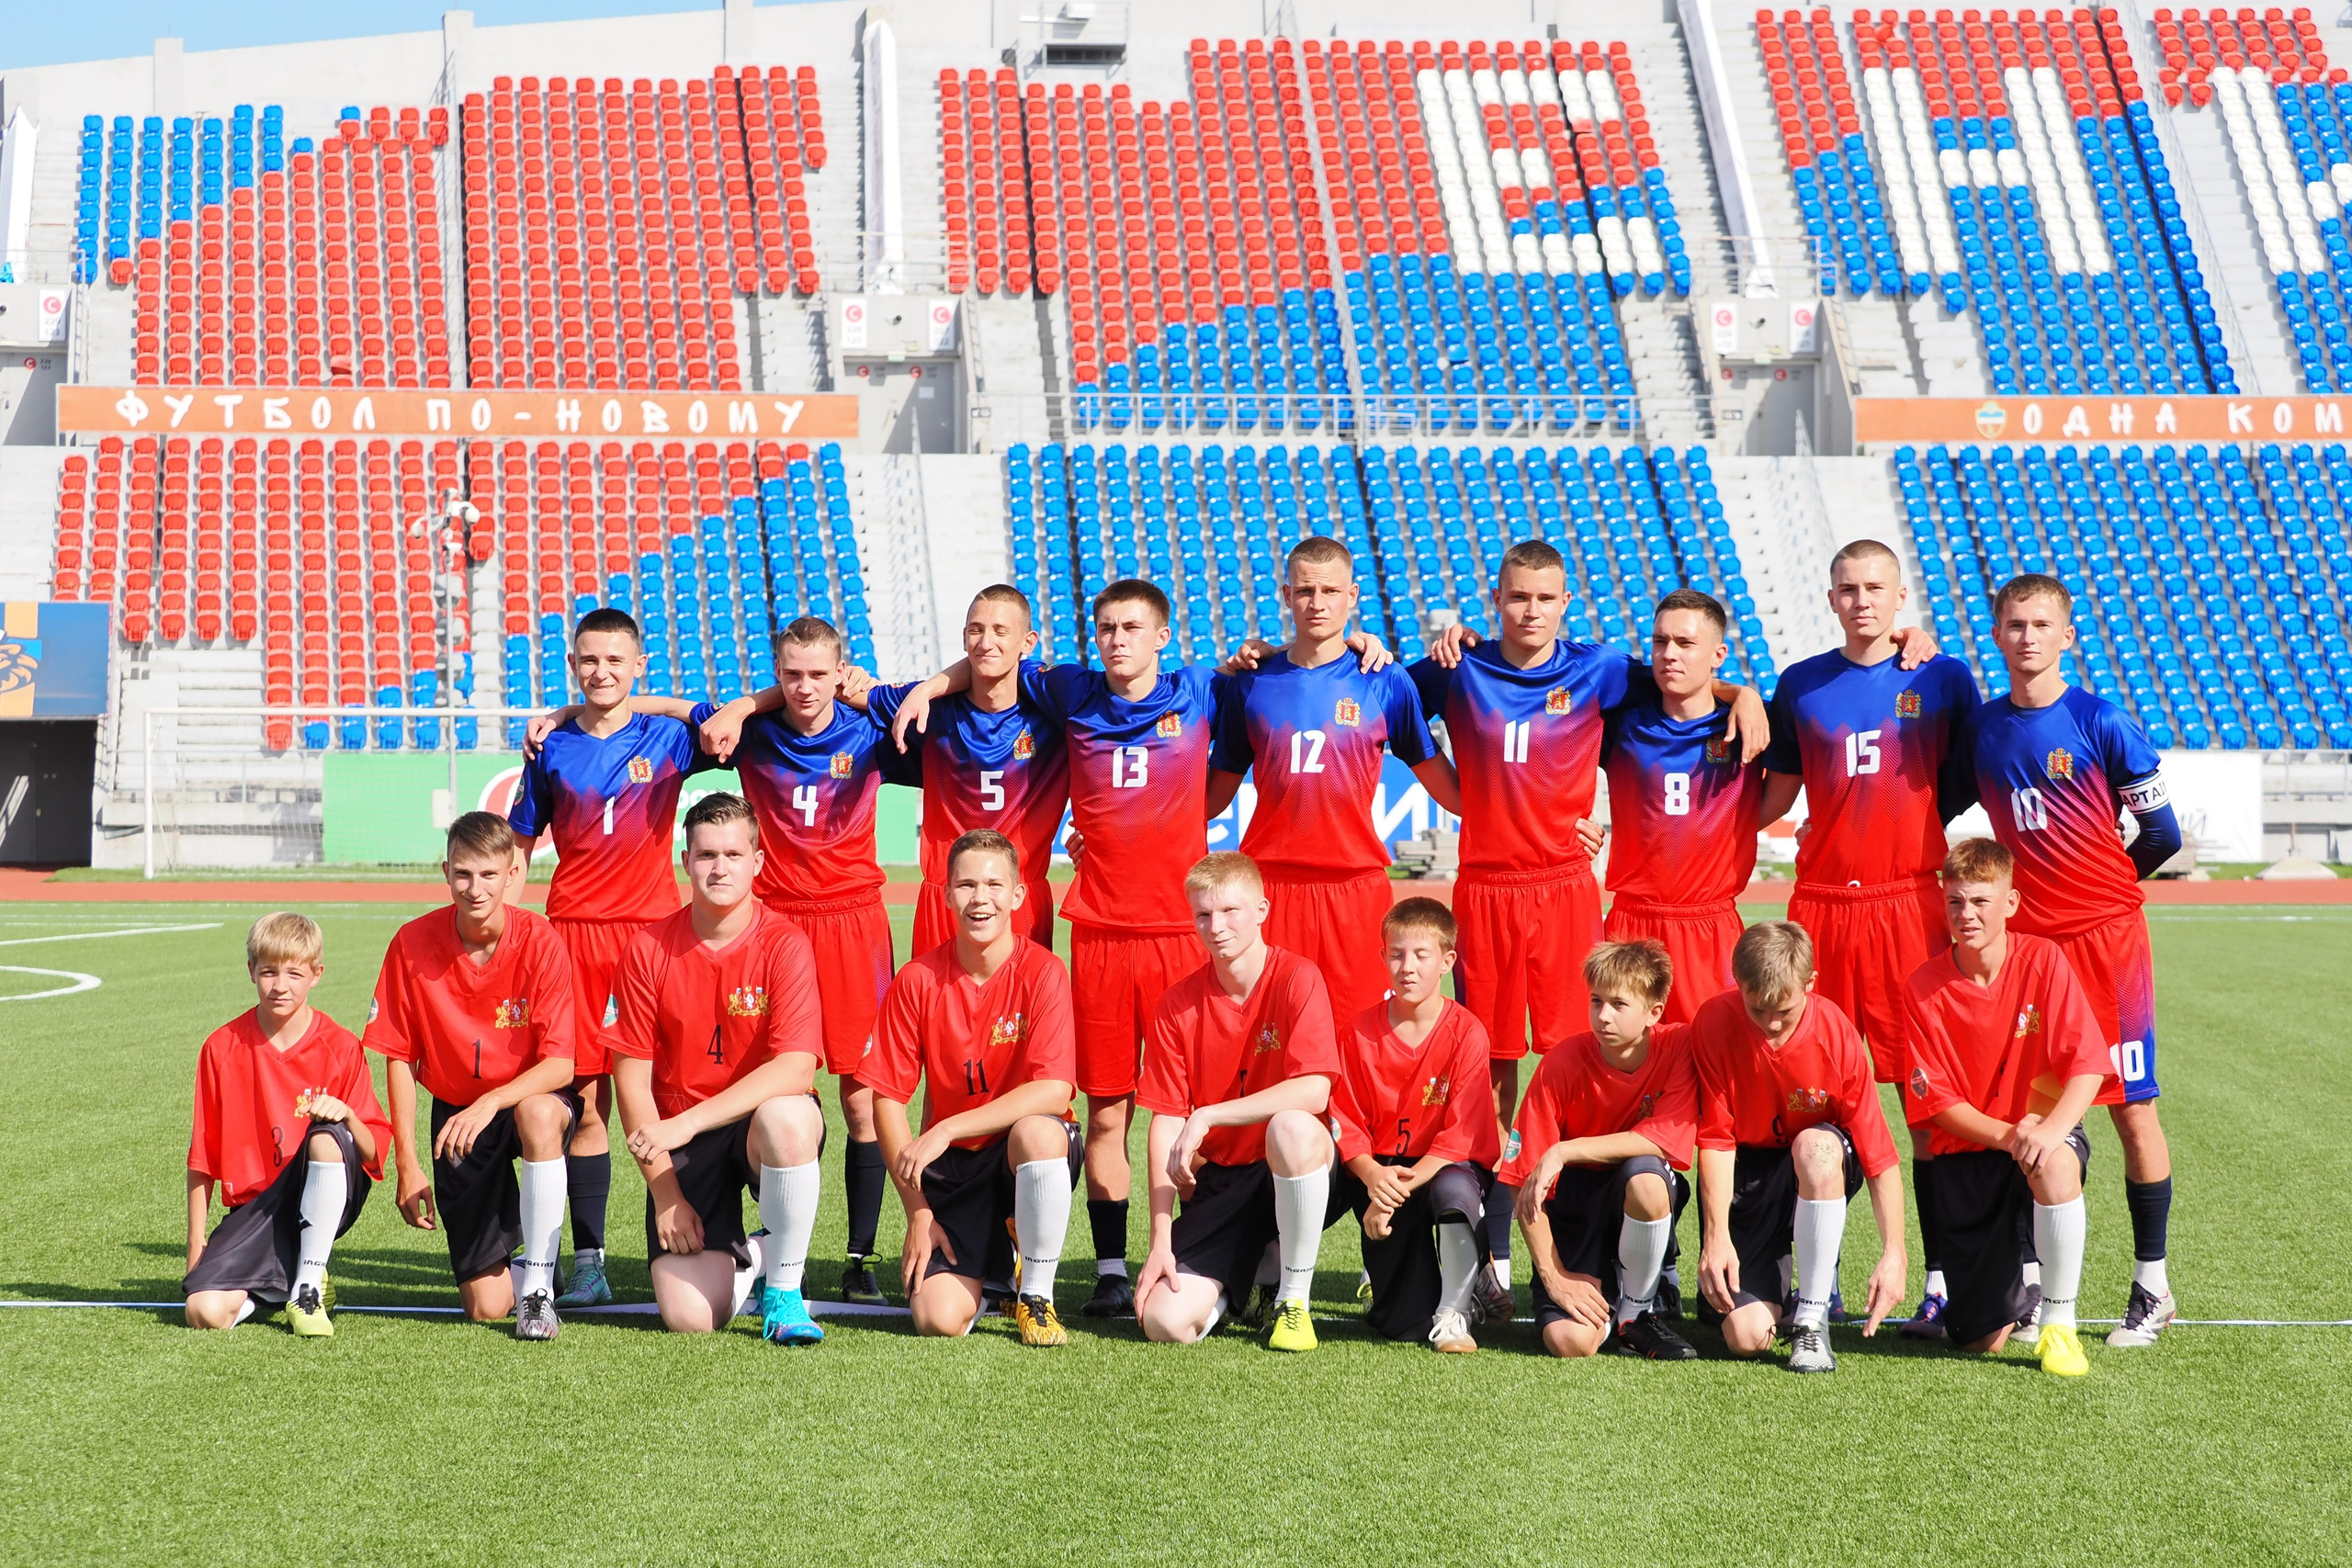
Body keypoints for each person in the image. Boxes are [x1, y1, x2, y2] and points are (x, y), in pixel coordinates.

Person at [885, 581, 1379, 1318]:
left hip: (1183, 935)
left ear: (1161, 636)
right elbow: (990, 664)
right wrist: (929, 682)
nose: (1118, 640)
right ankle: (1112, 1266)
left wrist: (1347, 641)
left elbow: (1289, 668)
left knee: (1200, 1102)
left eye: (1132, 628)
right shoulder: (1072, 692)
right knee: (1109, 1108)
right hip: (1103, 933)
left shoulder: (1207, 689)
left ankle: (1243, 1247)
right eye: (1107, 627)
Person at [1413, 540, 1766, 1310]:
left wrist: (1745, 693)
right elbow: (1380, 701)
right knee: (1494, 1071)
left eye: (1544, 598)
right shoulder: (1455, 666)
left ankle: (1632, 1241)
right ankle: (1494, 1257)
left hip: (1569, 892)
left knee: (1599, 1055)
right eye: (1516, 597)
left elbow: (1689, 678)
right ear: (1495, 599)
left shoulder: (1600, 669)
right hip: (1487, 891)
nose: (1529, 610)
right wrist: (1455, 792)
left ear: (1564, 602)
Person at [1757, 539, 1976, 1337]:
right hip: (1821, 908)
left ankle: (1943, 1277)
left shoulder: (1942, 676)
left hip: (1907, 905)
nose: (1861, 600)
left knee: (1925, 1100)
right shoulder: (1800, 684)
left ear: (1900, 594)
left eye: (1875, 587)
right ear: (1829, 596)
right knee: (1807, 1092)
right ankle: (1807, 1271)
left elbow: (1961, 780)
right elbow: (1770, 790)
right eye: (1847, 587)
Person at [1958, 572, 2184, 1347]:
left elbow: (2163, 836)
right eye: (2014, 624)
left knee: (2131, 1105)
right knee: (2028, 1109)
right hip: (2030, 952)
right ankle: (2029, 1286)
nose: (2027, 637)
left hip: (2107, 944)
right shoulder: (1983, 729)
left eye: (2041, 624)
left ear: (2067, 636)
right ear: (1997, 635)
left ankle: (2151, 1287)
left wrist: (2108, 894)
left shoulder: (2099, 719)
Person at [690, 616, 917, 1306]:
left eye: (820, 673)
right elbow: (670, 710)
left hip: (853, 923)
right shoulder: (753, 732)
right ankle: (772, 1249)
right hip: (777, 927)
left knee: (860, 1096)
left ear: (840, 670)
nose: (806, 686)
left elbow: (935, 705)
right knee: (773, 1090)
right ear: (776, 673)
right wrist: (741, 704)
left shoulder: (871, 728)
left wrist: (874, 688)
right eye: (792, 674)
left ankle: (858, 1257)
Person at [508, 606, 719, 1310]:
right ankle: (590, 1260)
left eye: (614, 660)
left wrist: (586, 703)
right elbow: (517, 841)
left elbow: (719, 714)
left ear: (639, 667)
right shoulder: (551, 750)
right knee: (588, 1100)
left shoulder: (669, 737)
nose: (600, 672)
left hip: (653, 937)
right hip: (571, 935)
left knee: (673, 1088)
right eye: (586, 662)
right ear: (573, 665)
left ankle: (699, 1233)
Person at [1208, 537, 1462, 1024]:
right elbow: (1211, 799)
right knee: (1267, 1037)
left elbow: (1449, 792)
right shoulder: (1251, 681)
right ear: (1286, 594)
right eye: (1305, 590)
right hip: (1270, 889)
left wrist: (1554, 820)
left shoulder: (1384, 679)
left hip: (1354, 890)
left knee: (1355, 1037)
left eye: (1330, 590)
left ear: (1354, 594)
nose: (1317, 603)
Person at [607, 791, 829, 1341]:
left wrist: (683, 1124)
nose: (719, 868)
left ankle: (783, 1291)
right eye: (706, 855)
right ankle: (756, 1250)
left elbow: (798, 1067)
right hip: (684, 1138)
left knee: (790, 1118)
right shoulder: (646, 948)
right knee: (690, 1319)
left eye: (733, 855)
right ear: (685, 861)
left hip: (754, 1126)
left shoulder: (785, 942)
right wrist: (666, 1195)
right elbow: (630, 1077)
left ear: (757, 862)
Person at [364, 812, 582, 1339]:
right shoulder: (411, 943)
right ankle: (519, 1259)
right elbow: (398, 1057)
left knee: (535, 1111)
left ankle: (539, 1291)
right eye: (463, 874)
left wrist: (494, 1101)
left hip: (527, 1098)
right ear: (446, 872)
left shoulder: (540, 939)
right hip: (457, 1113)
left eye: (489, 875)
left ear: (513, 875)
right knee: (485, 1307)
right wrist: (409, 1168)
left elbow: (560, 1065)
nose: (475, 888)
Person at [1902, 837, 2111, 1376]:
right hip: (1971, 1151)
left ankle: (2059, 1327)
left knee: (2058, 1159)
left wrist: (2050, 1130)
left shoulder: (2044, 960)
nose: (1966, 914)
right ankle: (2014, 1288)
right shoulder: (1922, 987)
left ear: (2011, 903)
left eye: (1980, 901)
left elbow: (2088, 1064)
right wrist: (2011, 1136)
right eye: (1955, 902)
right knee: (1980, 1340)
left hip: (2037, 1139)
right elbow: (1939, 1105)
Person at [866, 829, 1081, 1346]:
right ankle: (996, 1274)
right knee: (936, 1319)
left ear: (1017, 896)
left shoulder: (1044, 972)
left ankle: (1038, 1297)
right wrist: (918, 1211)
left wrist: (947, 1128)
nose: (979, 898)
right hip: (956, 1170)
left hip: (1018, 1156)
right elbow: (887, 1100)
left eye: (992, 885)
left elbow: (1054, 1089)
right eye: (965, 885)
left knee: (1037, 1133)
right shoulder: (917, 979)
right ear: (945, 894)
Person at [1134, 852, 1340, 1351]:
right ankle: (1248, 1279)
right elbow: (1164, 1120)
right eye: (1203, 914)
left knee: (1290, 1126)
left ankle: (1292, 1301)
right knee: (1164, 1322)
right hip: (1220, 1184)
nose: (1216, 926)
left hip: (1290, 1169)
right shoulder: (1175, 1004)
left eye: (1230, 912)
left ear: (1263, 910)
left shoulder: (1298, 977)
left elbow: (1315, 1089)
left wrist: (1208, 1114)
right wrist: (1160, 1238)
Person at [1691, 920, 1906, 1372]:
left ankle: (1811, 1318)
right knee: (1746, 1338)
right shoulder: (1712, 1021)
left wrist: (1895, 1253)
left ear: (1810, 983)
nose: (1770, 1023)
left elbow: (1879, 1156)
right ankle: (1786, 1281)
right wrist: (1716, 1238)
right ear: (1739, 983)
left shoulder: (1836, 1033)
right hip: (1748, 1169)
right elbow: (1715, 1139)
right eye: (1756, 1008)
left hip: (1814, 1162)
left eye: (1784, 1011)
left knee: (1815, 1147)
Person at [184, 912, 391, 1336]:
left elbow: (373, 1152)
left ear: (316, 974)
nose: (280, 986)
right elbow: (202, 1160)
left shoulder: (340, 1046)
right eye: (269, 972)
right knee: (203, 1312)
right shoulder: (220, 1048)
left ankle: (308, 1284)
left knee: (328, 1138)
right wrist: (196, 1247)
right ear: (251, 972)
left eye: (295, 973)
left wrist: (347, 1114)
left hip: (320, 1195)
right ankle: (287, 1279)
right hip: (254, 1211)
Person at [1503, 940, 1700, 1362]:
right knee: (1570, 1343)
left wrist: (1565, 1150)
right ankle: (1613, 1289)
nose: (1603, 1015)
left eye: (1618, 1004)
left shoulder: (1680, 1047)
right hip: (1575, 1209)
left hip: (1633, 1192)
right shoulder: (1562, 1062)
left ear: (1654, 1012)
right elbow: (1522, 1181)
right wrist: (1555, 1277)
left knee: (1647, 1177)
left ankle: (1636, 1313)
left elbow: (1663, 1141)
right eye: (1596, 1001)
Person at [1327, 897, 1498, 1351]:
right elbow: (1344, 1119)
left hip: (1441, 1168)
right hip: (1381, 1170)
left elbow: (1463, 1135)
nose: (1408, 967)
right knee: (1401, 1324)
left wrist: (1392, 1190)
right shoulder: (1356, 1033)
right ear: (1382, 956)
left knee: (1455, 1193)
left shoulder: (1467, 1032)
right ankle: (1275, 1284)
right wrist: (1372, 1179)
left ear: (1447, 961)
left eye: (1422, 956)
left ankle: (1456, 1311)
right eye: (1397, 954)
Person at [862, 586, 1070, 953]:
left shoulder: (1056, 717)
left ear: (1029, 642)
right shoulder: (929, 708)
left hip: (1020, 897)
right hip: (944, 896)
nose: (986, 641)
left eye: (1000, 631)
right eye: (976, 630)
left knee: (1018, 1012)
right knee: (935, 1008)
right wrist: (741, 709)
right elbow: (835, 689)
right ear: (963, 638)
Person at [1600, 590, 1766, 1025]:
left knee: (1715, 1063)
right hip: (1631, 924)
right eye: (1659, 641)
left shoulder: (1749, 724)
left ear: (1718, 654)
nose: (1669, 653)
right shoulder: (1618, 720)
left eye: (1685, 643)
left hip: (1710, 926)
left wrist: (1744, 695)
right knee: (1625, 1068)